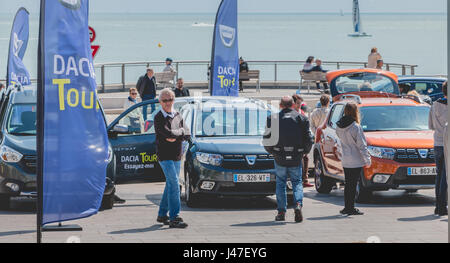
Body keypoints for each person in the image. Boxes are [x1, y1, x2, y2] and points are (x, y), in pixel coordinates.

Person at [263, 96, 313, 223]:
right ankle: (297, 204)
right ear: (292, 105)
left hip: (279, 156)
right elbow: (308, 139)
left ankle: (281, 212)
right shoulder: (302, 118)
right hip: (296, 156)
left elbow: (267, 139)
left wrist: (272, 152)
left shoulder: (272, 119)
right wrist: (304, 151)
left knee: (280, 183)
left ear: (280, 105)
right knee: (297, 182)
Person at [154, 88, 191, 228]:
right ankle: (174, 217)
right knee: (175, 185)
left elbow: (187, 132)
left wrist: (178, 134)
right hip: (165, 156)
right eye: (165, 100)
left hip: (176, 155)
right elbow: (167, 133)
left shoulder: (177, 114)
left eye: (170, 99)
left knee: (170, 185)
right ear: (160, 102)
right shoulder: (158, 117)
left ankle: (162, 214)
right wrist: (178, 134)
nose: (168, 103)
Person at [336, 102, 371, 216]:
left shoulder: (339, 125)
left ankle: (347, 207)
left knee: (348, 184)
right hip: (355, 160)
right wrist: (367, 160)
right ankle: (350, 208)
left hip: (345, 159)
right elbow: (362, 145)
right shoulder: (356, 127)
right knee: (353, 184)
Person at [429, 81, 448, 216]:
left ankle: (438, 206)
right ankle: (442, 207)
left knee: (439, 175)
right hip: (447, 144)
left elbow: (430, 125)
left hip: (437, 142)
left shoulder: (434, 105)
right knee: (445, 177)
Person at [292, 94, 314, 188]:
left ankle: (305, 179)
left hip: (302, 140)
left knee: (305, 159)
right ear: (293, 103)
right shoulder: (291, 113)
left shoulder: (301, 112)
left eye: (300, 103)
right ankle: (299, 180)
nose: (299, 105)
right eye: (297, 103)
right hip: (294, 141)